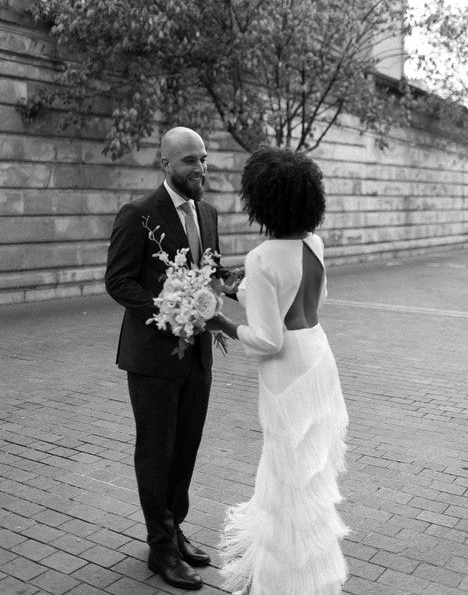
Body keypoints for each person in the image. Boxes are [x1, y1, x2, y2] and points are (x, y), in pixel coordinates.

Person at [208, 146, 350, 595]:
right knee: (308, 476)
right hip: (318, 357)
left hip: (286, 371)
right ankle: (311, 576)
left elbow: (268, 339)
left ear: (262, 201)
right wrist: (243, 291)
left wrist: (221, 321)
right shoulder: (315, 243)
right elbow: (308, 302)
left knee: (286, 477)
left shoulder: (262, 256)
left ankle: (283, 583)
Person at [105, 126, 240, 591]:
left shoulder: (208, 211)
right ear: (165, 164)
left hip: (198, 356)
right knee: (156, 451)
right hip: (152, 358)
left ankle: (174, 529)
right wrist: (167, 310)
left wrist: (235, 282)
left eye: (203, 159)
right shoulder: (138, 213)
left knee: (185, 447)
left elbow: (211, 265)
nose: (200, 168)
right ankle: (159, 548)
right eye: (189, 161)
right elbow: (118, 281)